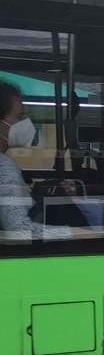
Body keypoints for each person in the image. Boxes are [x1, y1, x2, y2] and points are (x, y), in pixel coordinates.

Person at [0, 81, 85, 240]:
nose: (24, 124)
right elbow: (18, 229)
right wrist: (77, 233)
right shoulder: (3, 166)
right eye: (18, 117)